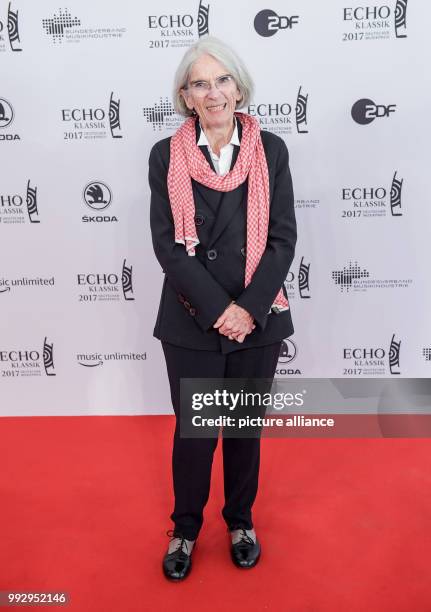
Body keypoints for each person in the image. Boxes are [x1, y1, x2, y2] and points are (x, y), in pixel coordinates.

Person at [148, 35, 296, 581]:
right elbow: (168, 245)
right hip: (192, 319)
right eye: (200, 83)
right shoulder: (166, 155)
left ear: (239, 87)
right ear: (186, 96)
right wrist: (218, 310)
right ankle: (185, 528)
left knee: (242, 429)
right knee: (195, 432)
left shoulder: (271, 149)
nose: (214, 93)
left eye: (223, 80)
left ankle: (240, 521)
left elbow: (282, 239)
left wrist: (248, 309)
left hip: (257, 318)